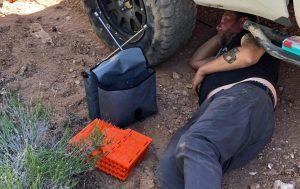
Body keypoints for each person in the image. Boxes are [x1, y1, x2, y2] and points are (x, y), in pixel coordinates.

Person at [156, 11, 279, 189]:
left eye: (225, 18)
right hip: (217, 110)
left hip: (243, 98)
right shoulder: (227, 54)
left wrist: (204, 71)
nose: (219, 22)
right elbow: (195, 61)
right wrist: (221, 36)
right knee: (170, 166)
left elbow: (249, 55)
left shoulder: (253, 35)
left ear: (244, 20)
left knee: (196, 145)